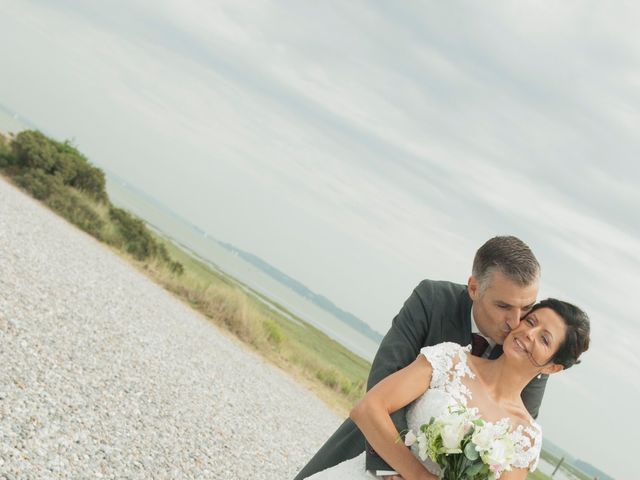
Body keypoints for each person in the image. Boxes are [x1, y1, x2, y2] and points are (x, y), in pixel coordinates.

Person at [295, 236, 546, 479]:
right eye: (503, 306)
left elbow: (510, 441)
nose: (515, 322)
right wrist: (393, 467)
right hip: (374, 450)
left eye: (526, 308)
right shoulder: (433, 300)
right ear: (473, 288)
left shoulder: (529, 357)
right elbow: (386, 375)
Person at [305, 298, 590, 479]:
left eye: (544, 339)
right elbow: (368, 409)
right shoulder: (449, 359)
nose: (528, 334)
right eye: (531, 321)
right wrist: (416, 475)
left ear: (553, 367)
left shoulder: (525, 436)